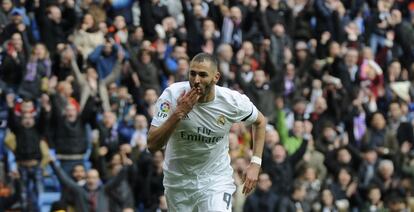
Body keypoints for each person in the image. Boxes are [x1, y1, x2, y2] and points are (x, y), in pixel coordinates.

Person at [147, 52, 266, 211]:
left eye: (203, 75)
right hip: (178, 182)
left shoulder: (231, 101)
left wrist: (255, 163)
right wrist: (179, 113)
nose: (196, 80)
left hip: (215, 180)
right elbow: (152, 144)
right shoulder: (172, 96)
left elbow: (260, 121)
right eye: (193, 73)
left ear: (216, 77)